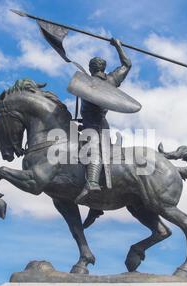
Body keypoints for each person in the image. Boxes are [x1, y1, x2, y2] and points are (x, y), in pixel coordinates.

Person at [75, 37, 132, 205]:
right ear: (103, 68)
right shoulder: (112, 79)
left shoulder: (88, 83)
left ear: (91, 68)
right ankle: (95, 204)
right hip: (88, 124)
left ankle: (92, 182)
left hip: (96, 126)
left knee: (93, 150)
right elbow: (127, 64)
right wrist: (118, 46)